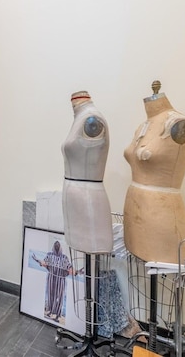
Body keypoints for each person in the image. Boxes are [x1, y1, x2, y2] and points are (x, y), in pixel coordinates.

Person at [123, 81, 185, 263]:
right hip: (133, 213)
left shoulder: (179, 124)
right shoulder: (142, 127)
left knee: (160, 281)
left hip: (162, 218)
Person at [61, 91, 114, 254]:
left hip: (88, 200)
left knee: (92, 251)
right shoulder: (79, 118)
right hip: (74, 198)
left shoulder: (92, 120)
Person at [33, 240, 73, 322]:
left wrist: (76, 271)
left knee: (60, 297)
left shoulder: (64, 257)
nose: (57, 246)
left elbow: (69, 267)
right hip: (51, 278)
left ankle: (58, 315)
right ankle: (50, 311)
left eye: (58, 245)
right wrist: (37, 260)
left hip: (61, 279)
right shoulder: (49, 255)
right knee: (50, 295)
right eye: (55, 245)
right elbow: (44, 263)